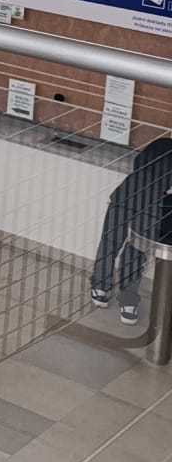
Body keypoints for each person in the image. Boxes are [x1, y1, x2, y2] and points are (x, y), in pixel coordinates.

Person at [91, 136, 172, 323]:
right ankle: (127, 301)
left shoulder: (160, 143)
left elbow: (138, 162)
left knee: (111, 242)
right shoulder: (163, 145)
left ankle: (101, 288)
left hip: (128, 192)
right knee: (136, 250)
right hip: (152, 205)